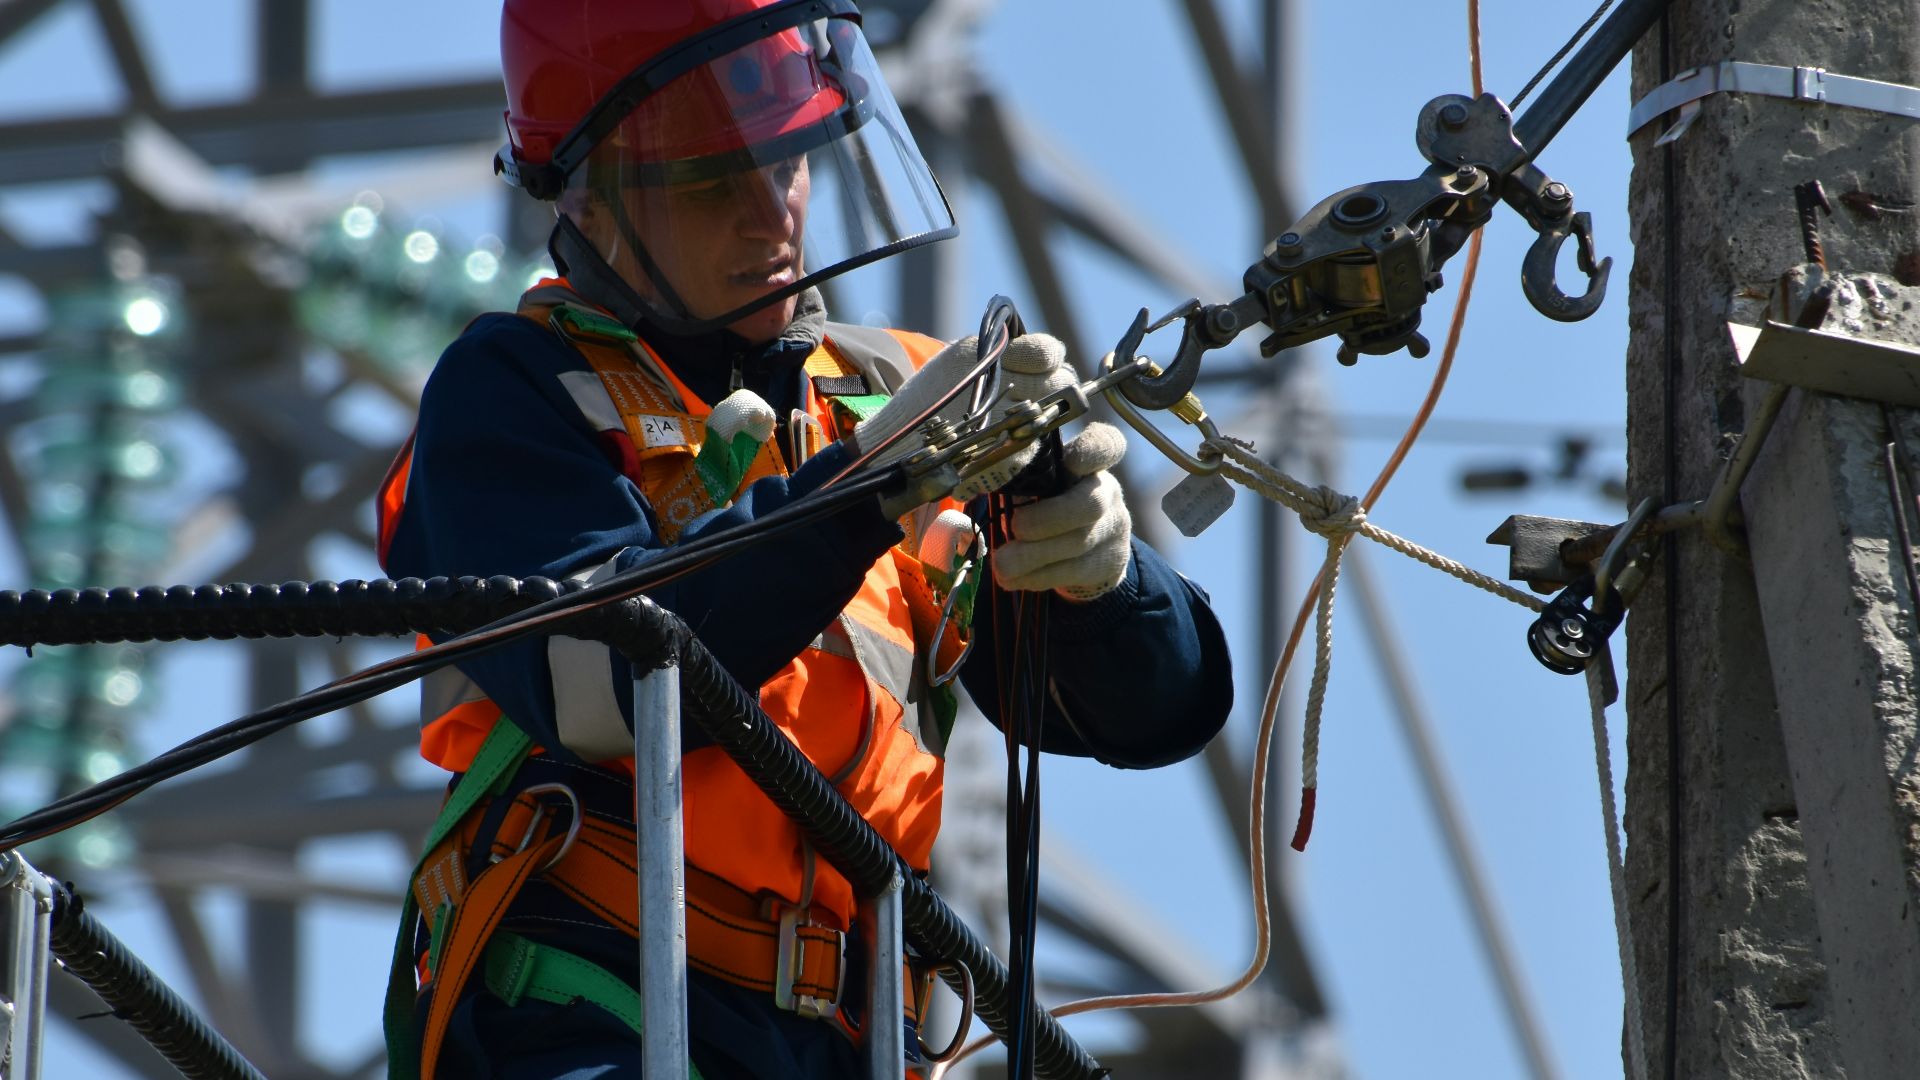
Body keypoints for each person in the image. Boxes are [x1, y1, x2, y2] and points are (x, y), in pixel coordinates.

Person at [374, 0, 1234, 1076]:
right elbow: (597, 683)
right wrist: (862, 496)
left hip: (854, 1038)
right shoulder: (516, 390)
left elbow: (1147, 713)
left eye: (786, 166)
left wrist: (1104, 577)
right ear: (589, 203)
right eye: (710, 180)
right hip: (600, 1010)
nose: (768, 217)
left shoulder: (883, 396)